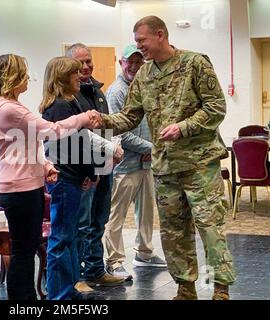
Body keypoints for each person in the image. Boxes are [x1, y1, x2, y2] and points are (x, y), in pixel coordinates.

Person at [93, 16, 236, 300]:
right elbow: (130, 117)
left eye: (142, 41)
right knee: (173, 233)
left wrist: (184, 128)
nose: (139, 47)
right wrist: (100, 120)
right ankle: (185, 288)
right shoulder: (144, 76)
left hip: (199, 164)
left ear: (160, 35)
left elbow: (216, 107)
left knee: (210, 229)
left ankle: (219, 289)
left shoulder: (195, 63)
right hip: (165, 168)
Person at [0, 54, 97, 300]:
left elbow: (26, 145)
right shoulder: (10, 109)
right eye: (24, 75)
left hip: (23, 186)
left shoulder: (8, 106)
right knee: (23, 250)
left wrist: (45, 166)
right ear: (14, 78)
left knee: (26, 248)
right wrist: (84, 118)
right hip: (20, 190)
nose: (28, 79)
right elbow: (53, 130)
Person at [40, 56, 119, 299]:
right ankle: (60, 294)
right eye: (75, 73)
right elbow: (77, 145)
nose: (81, 76)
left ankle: (69, 287)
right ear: (63, 77)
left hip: (73, 177)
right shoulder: (60, 107)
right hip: (65, 180)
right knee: (62, 240)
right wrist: (90, 171)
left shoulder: (69, 103)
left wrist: (90, 172)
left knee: (71, 237)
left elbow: (80, 143)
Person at [104, 44, 166, 280]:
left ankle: (145, 254)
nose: (134, 66)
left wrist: (151, 150)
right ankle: (114, 260)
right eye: (130, 61)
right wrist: (152, 148)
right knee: (116, 216)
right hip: (124, 166)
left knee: (146, 213)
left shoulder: (144, 87)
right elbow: (120, 133)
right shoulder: (117, 92)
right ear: (121, 62)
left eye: (139, 62)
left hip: (146, 164)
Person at [66, 43, 125, 287]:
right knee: (82, 223)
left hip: (104, 167)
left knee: (98, 222)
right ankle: (77, 275)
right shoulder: (69, 95)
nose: (87, 65)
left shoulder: (98, 92)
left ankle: (95, 269)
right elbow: (78, 137)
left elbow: (106, 128)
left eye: (89, 61)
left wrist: (113, 152)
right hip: (84, 170)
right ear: (69, 65)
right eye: (81, 62)